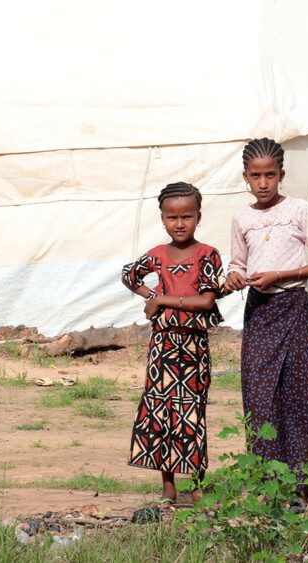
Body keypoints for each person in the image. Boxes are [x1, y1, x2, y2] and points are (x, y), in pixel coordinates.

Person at [224, 138, 308, 499]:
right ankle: (265, 484)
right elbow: (238, 263)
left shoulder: (299, 210)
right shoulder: (242, 218)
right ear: (245, 177)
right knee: (258, 397)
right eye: (256, 176)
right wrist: (234, 277)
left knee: (298, 394)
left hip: (294, 308)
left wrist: (281, 275)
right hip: (259, 311)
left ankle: (301, 485)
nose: (264, 183)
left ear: (282, 174)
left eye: (270, 174)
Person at [121, 182, 225, 505]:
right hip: (163, 345)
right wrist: (150, 297)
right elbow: (129, 275)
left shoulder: (208, 255)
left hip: (193, 347)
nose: (179, 224)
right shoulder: (157, 255)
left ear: (199, 217)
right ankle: (168, 487)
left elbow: (207, 301)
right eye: (171, 217)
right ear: (163, 218)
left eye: (187, 217)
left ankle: (196, 486)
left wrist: (160, 299)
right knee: (161, 411)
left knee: (192, 413)